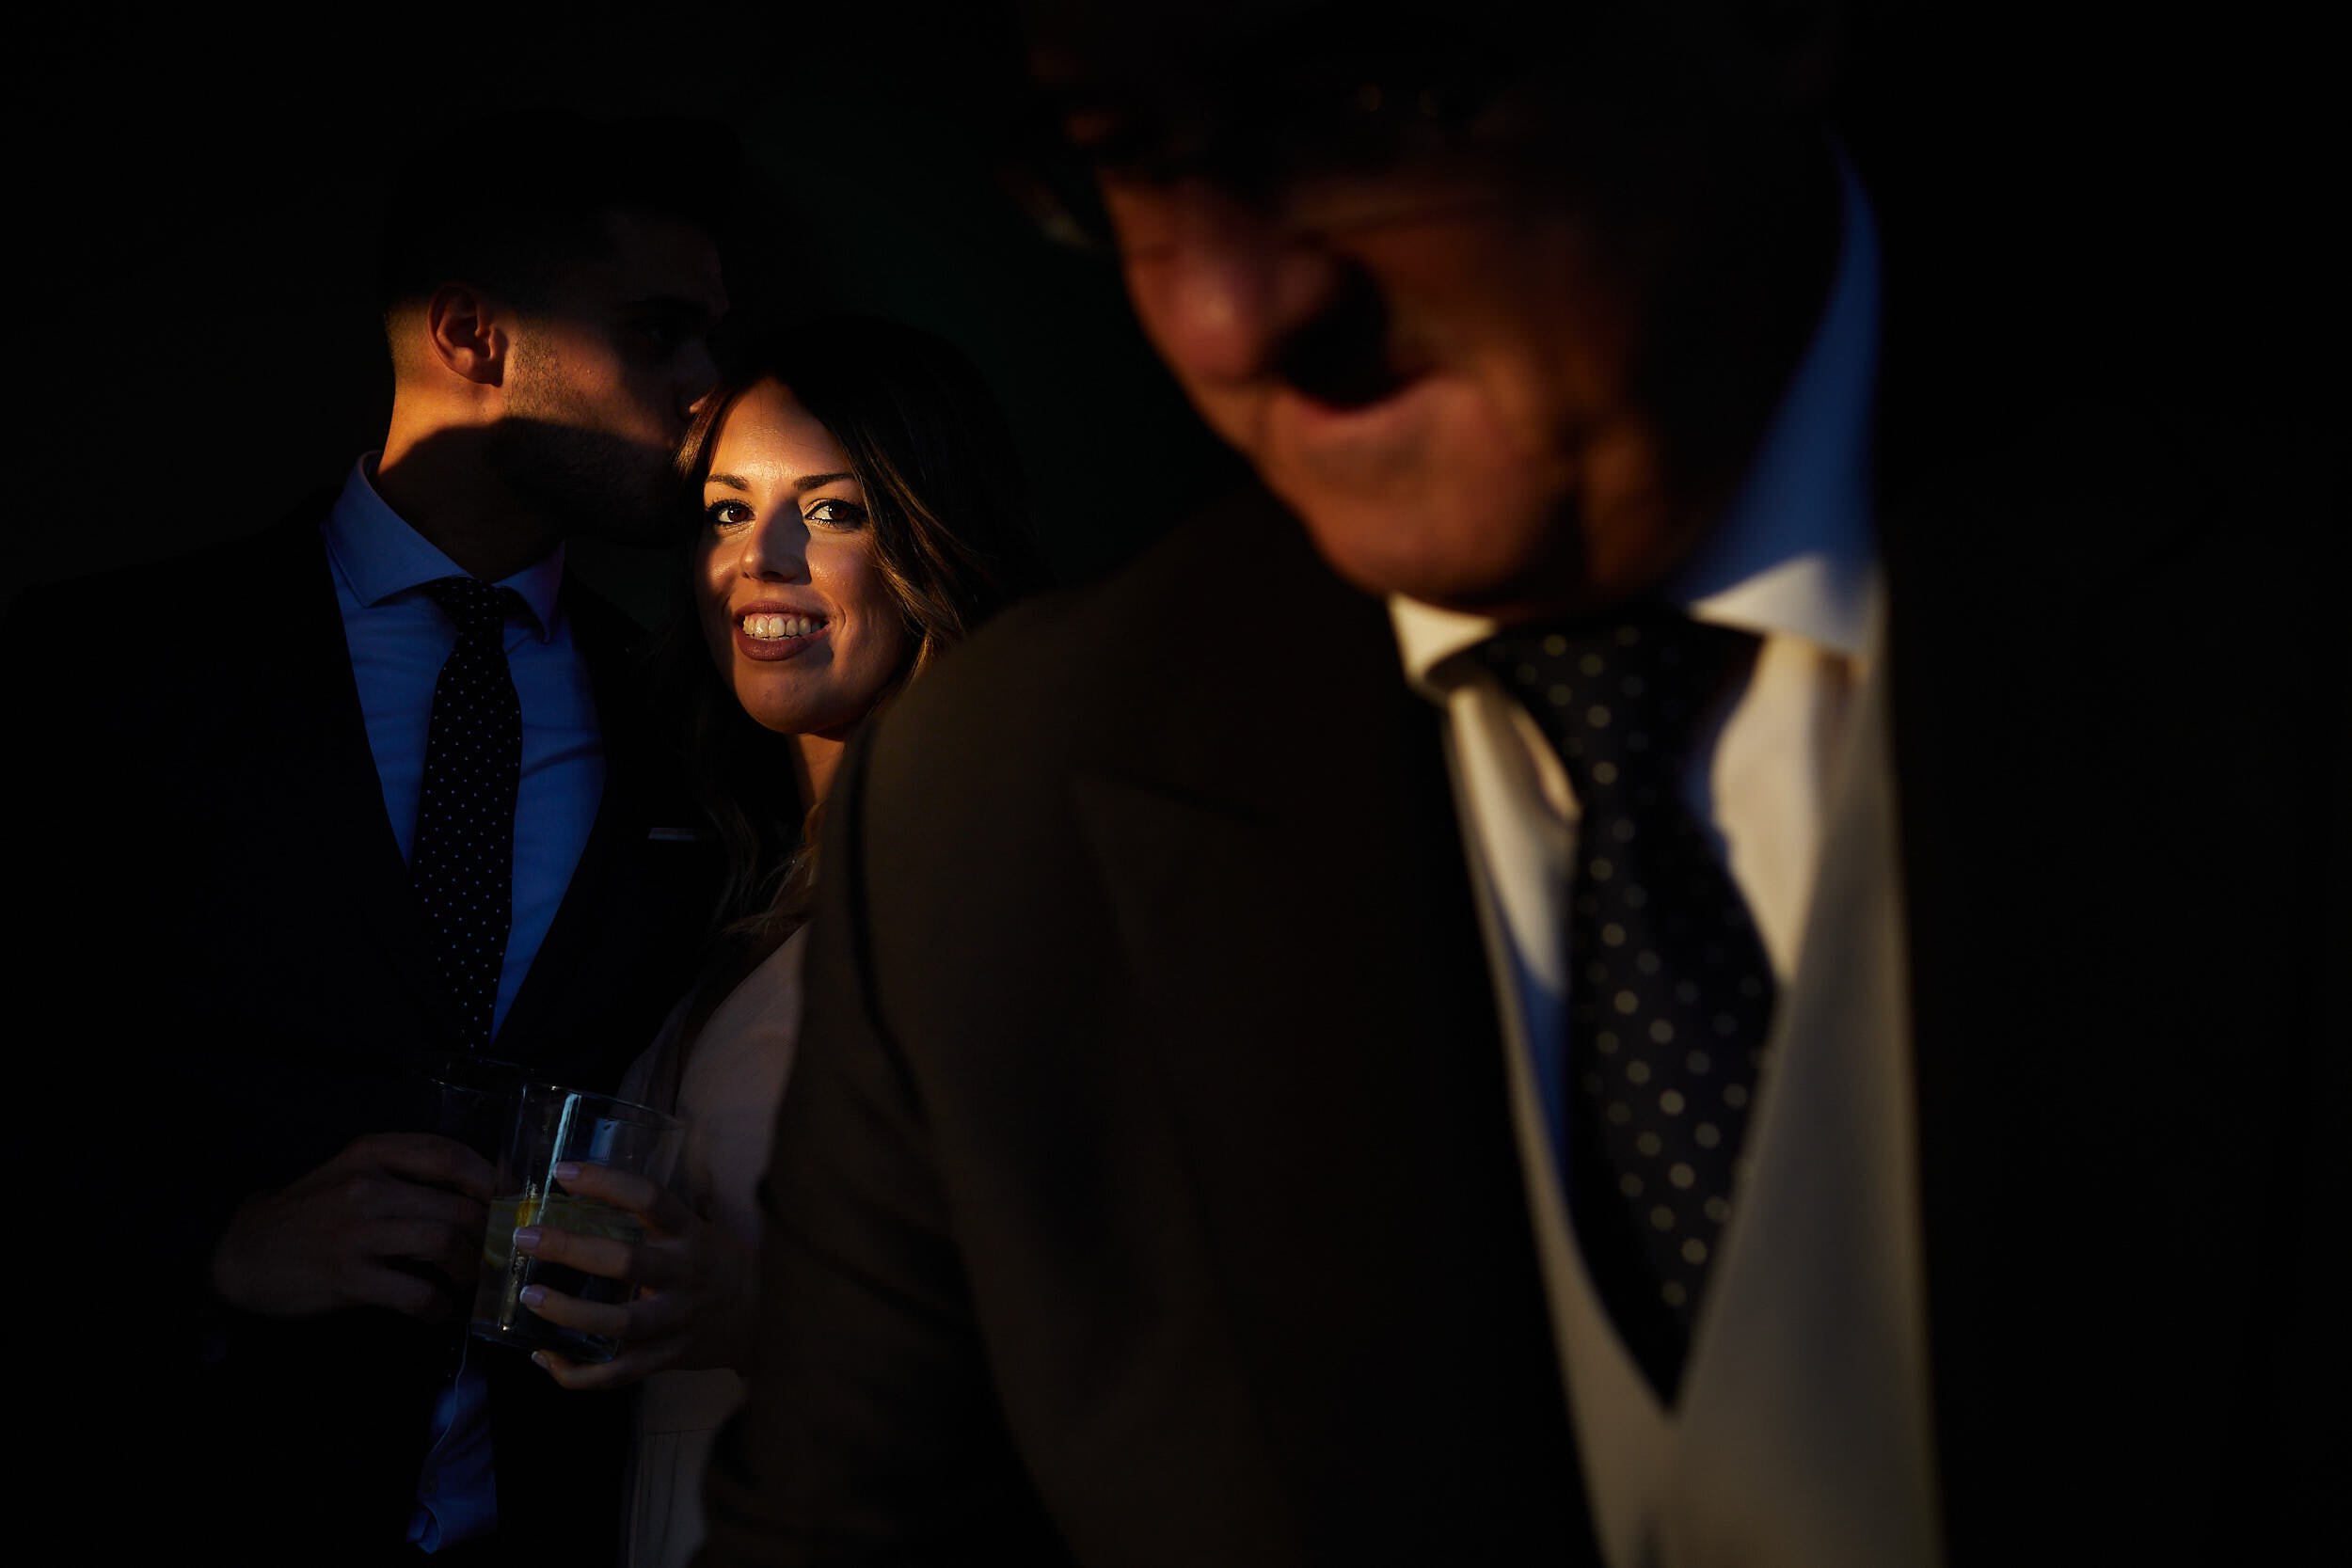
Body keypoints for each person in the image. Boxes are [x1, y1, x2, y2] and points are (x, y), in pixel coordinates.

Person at [697, 3, 2343, 1566]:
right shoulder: (1002, 806)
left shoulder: (2260, 626)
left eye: (1365, 104)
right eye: (1128, 159)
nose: (1225, 311)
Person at [5, 110, 739, 1563]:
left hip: (547, 1517)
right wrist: (210, 1245)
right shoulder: (101, 670)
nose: (707, 385)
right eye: (659, 332)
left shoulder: (696, 723)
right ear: (472, 334)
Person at [489, 313, 1047, 1568]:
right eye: (729, 511)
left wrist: (751, 1307)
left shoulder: (999, 884)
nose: (762, 560)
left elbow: (1090, 1310)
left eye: (832, 511)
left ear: (931, 534)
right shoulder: (730, 884)